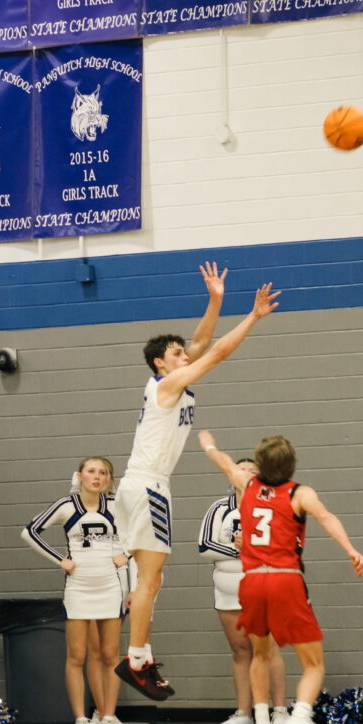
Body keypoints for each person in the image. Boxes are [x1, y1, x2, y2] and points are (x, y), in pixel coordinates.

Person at [114, 262, 280, 701]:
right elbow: (217, 352)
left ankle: (140, 654)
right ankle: (136, 660)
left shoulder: (170, 382)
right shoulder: (165, 387)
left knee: (151, 580)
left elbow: (203, 342)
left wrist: (216, 299)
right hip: (148, 485)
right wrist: (252, 316)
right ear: (159, 363)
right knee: (149, 581)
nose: (185, 354)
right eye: (176, 354)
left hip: (142, 484)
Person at [199, 430, 363, 724]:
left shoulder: (246, 484)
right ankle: (299, 716)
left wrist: (209, 444)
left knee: (258, 654)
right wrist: (350, 549)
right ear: (292, 465)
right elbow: (327, 517)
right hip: (283, 578)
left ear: (259, 465)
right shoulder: (299, 493)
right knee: (313, 662)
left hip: (250, 582)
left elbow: (222, 461)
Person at [21, 457, 130, 724]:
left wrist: (127, 554)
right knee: (77, 655)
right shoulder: (66, 505)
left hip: (110, 586)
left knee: (110, 655)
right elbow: (29, 531)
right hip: (78, 587)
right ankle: (81, 719)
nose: (97, 477)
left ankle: (107, 717)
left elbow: (146, 531)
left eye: (103, 473)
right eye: (91, 471)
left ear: (109, 479)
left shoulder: (117, 505)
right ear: (80, 476)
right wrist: (61, 560)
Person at [198, 463, 289, 724]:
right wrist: (237, 551)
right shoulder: (219, 509)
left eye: (252, 469)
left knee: (268, 649)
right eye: (241, 469)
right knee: (240, 651)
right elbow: (204, 546)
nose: (245, 473)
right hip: (227, 587)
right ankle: (243, 712)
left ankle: (280, 711)